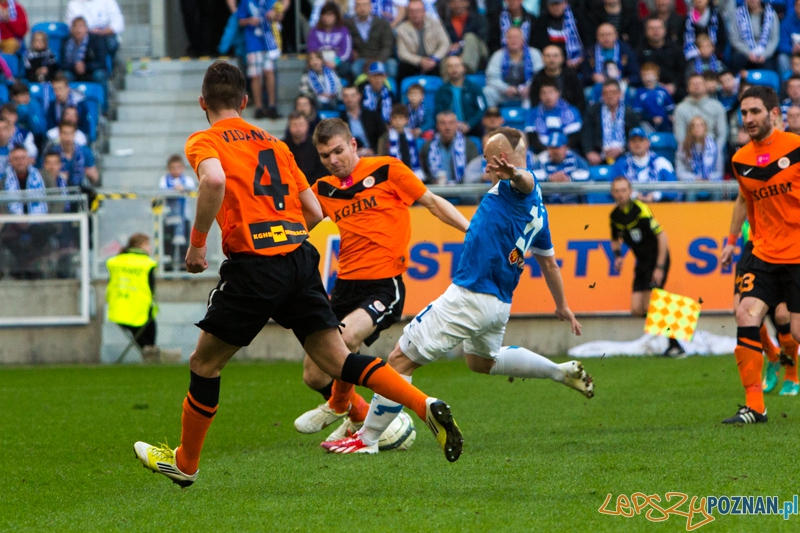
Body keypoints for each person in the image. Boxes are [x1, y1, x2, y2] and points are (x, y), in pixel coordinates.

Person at [133, 62, 465, 488]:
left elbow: (213, 179)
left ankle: (186, 464)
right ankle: (424, 404)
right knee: (336, 361)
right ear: (246, 102)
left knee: (204, 363)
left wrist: (197, 244)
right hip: (299, 256)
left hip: (255, 265)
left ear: (203, 103)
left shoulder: (204, 140)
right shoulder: (274, 142)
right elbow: (311, 211)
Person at [322, 127, 593, 456]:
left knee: (399, 361)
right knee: (482, 361)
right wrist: (562, 305)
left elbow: (526, 181)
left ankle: (368, 439)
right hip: (498, 305)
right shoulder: (540, 212)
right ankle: (557, 371)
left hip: (470, 296)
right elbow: (549, 264)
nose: (484, 169)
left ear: (503, 161)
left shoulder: (516, 186)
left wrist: (514, 174)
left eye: (488, 162)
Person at [293, 117, 469, 442]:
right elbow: (296, 231)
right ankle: (357, 415)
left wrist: (471, 231)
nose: (333, 160)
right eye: (324, 156)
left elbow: (432, 202)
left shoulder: (388, 170)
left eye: (338, 151)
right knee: (313, 372)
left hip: (384, 284)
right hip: (344, 284)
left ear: (353, 144)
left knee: (345, 340)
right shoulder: (323, 190)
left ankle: (338, 404)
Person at [717, 86, 800, 423]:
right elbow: (744, 200)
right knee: (745, 314)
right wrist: (732, 239)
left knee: (795, 331)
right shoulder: (740, 159)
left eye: (755, 112)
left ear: (774, 113)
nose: (748, 119)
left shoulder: (795, 148)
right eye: (744, 113)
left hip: (797, 253)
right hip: (763, 252)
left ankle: (791, 373)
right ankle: (755, 406)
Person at [609, 176, 685, 357]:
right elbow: (614, 238)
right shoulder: (615, 216)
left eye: (623, 190)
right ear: (613, 193)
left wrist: (659, 267)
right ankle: (673, 321)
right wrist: (618, 256)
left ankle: (676, 346)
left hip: (658, 259)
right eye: (617, 191)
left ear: (630, 191)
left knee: (655, 300)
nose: (620, 194)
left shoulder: (640, 210)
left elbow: (662, 236)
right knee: (637, 309)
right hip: (642, 262)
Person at [106, 233, 160, 361]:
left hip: (117, 307)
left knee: (138, 330)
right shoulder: (147, 263)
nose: (150, 248)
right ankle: (150, 352)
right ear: (140, 245)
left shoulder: (115, 261)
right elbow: (151, 288)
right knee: (148, 326)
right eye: (147, 244)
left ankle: (149, 351)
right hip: (139, 307)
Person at [238, 0, 282, 119]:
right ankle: (259, 108)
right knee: (255, 75)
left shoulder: (271, 1)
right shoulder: (246, 1)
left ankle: (272, 106)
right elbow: (240, 21)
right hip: (253, 43)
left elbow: (280, 15)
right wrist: (249, 21)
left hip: (269, 42)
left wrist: (275, 15)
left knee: (269, 72)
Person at [582, 79, 640, 166]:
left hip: (625, 154)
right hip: (599, 155)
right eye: (606, 93)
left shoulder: (629, 112)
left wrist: (622, 149)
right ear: (602, 95)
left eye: (613, 92)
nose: (609, 95)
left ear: (620, 94)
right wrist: (589, 152)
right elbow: (586, 133)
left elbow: (635, 136)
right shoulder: (593, 110)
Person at [611, 128, 679, 202]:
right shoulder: (620, 164)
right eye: (634, 141)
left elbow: (674, 189)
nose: (637, 144)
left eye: (641, 140)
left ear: (648, 143)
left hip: (659, 207)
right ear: (629, 144)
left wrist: (656, 195)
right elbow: (611, 189)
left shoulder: (662, 163)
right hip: (629, 208)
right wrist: (632, 195)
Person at [484, 27, 543, 108]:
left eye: (516, 37)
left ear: (523, 40)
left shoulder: (534, 53)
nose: (513, 40)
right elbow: (492, 78)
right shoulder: (498, 55)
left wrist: (529, 87)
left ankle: (530, 119)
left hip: (527, 92)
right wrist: (505, 88)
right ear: (505, 40)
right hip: (505, 92)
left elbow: (539, 75)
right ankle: (493, 118)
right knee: (487, 92)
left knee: (541, 91)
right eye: (510, 37)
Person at [395, 0, 450, 84]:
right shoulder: (402, 29)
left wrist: (435, 58)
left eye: (418, 11)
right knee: (403, 67)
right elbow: (402, 53)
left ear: (424, 12)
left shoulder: (435, 23)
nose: (415, 14)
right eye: (412, 11)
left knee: (446, 63)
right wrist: (420, 61)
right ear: (408, 13)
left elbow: (445, 43)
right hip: (414, 61)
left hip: (433, 59)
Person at [158, 154, 197, 272]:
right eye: (173, 168)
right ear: (169, 169)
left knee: (184, 243)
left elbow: (192, 190)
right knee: (168, 242)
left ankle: (183, 265)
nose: (175, 170)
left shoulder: (188, 180)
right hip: (169, 218)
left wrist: (183, 189)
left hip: (184, 217)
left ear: (183, 168)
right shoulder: (164, 180)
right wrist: (174, 190)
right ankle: (168, 265)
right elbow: (161, 191)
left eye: (178, 167)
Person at [420, 110, 480, 184]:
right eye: (443, 123)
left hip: (463, 191)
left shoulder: (469, 146)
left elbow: (474, 171)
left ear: (456, 125)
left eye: (451, 123)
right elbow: (423, 172)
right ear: (437, 125)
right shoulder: (427, 147)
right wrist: (432, 180)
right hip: (436, 191)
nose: (447, 127)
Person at [433, 55, 486, 137]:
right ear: (447, 70)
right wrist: (451, 125)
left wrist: (469, 124)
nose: (454, 69)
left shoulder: (474, 87)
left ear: (463, 68)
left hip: (472, 129)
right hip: (448, 129)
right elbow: (439, 112)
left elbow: (482, 109)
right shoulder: (442, 90)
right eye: (450, 66)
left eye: (457, 66)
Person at [525, 80, 582, 153]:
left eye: (551, 92)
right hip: (542, 152)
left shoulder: (571, 111)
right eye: (544, 93)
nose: (548, 96)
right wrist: (549, 152)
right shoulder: (533, 114)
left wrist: (560, 151)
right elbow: (532, 138)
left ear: (558, 93)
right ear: (540, 96)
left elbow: (575, 137)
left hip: (567, 151)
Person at [673, 73, 728, 149]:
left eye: (699, 83)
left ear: (706, 86)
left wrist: (716, 151)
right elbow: (680, 136)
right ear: (687, 88)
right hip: (688, 149)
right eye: (693, 83)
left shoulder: (717, 106)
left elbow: (722, 134)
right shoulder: (680, 108)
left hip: (713, 148)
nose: (696, 85)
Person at [345, 0, 397, 79]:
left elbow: (388, 46)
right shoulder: (348, 24)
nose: (362, 8)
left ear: (371, 6)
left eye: (365, 5)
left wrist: (377, 61)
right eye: (359, 5)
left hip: (381, 57)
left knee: (392, 67)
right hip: (362, 58)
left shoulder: (382, 23)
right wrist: (351, 51)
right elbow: (344, 41)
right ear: (355, 8)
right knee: (355, 68)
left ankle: (388, 89)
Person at [675, 116, 723, 200]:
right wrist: (695, 178)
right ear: (690, 129)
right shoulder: (683, 147)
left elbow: (719, 171)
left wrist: (708, 178)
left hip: (710, 180)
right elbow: (680, 172)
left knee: (716, 189)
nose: (697, 128)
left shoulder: (715, 146)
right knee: (692, 190)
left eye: (700, 125)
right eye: (694, 125)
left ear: (705, 128)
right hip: (691, 180)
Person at [582, 24, 641, 90]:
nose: (606, 38)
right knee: (587, 92)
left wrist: (625, 80)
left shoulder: (626, 51)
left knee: (633, 92)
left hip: (620, 85)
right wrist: (593, 77)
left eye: (609, 34)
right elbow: (584, 74)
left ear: (616, 35)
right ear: (597, 36)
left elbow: (636, 75)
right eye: (602, 35)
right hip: (598, 85)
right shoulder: (590, 52)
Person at [536, 131, 590, 204]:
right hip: (548, 206)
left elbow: (586, 176)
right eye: (551, 148)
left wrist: (569, 179)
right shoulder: (542, 158)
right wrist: (549, 179)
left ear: (565, 148)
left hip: (573, 206)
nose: (554, 151)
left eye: (557, 147)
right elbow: (533, 177)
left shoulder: (576, 159)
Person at [637, 16, 684, 98]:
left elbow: (682, 71)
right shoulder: (639, 50)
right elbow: (637, 72)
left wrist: (673, 85)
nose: (655, 31)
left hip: (673, 88)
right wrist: (656, 85)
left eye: (658, 28)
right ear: (646, 31)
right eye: (651, 28)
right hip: (648, 87)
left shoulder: (676, 49)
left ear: (665, 30)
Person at [728, 0, 780, 73]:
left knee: (772, 63)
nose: (752, 1)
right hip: (744, 52)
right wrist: (748, 53)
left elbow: (774, 39)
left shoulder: (771, 14)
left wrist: (765, 54)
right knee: (737, 58)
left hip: (765, 53)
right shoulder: (737, 14)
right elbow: (734, 39)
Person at [65, 0, 124, 64]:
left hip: (104, 35)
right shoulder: (73, 4)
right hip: (83, 37)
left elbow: (118, 24)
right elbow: (71, 26)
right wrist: (88, 31)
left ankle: (110, 68)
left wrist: (101, 32)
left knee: (111, 44)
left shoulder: (108, 1)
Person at [530, 0, 584, 69]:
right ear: (548, 6)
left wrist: (581, 59)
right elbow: (538, 45)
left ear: (565, 4)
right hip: (550, 64)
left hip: (578, 63)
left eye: (558, 4)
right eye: (553, 5)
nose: (556, 7)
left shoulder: (578, 18)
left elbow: (587, 40)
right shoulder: (541, 22)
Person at [307, 2, 353, 82]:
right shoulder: (315, 31)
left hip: (338, 61)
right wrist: (323, 61)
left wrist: (336, 61)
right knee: (311, 65)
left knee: (346, 68)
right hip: (320, 61)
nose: (325, 17)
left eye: (329, 15)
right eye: (324, 14)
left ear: (336, 16)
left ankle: (343, 87)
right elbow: (312, 49)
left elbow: (346, 51)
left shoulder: (343, 30)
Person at [440, 0, 489, 74]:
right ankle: (447, 82)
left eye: (460, 2)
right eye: (454, 2)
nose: (457, 5)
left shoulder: (478, 18)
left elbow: (483, 38)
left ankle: (464, 69)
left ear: (467, 3)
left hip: (478, 52)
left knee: (470, 37)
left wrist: (461, 44)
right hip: (454, 55)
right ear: (449, 5)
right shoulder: (445, 23)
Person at [529, 45, 585, 110]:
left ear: (562, 58)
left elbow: (580, 101)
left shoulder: (572, 77)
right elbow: (534, 102)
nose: (551, 59)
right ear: (543, 59)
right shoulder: (537, 78)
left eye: (555, 56)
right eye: (548, 56)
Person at [377, 103, 424, 179]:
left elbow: (418, 156)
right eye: (395, 118)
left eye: (401, 118)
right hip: (393, 172)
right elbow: (381, 155)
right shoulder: (385, 137)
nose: (398, 121)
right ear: (391, 120)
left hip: (411, 171)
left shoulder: (412, 136)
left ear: (407, 120)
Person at [282, 111, 328, 185]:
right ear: (289, 127)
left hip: (314, 185)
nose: (298, 128)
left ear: (307, 125)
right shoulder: (283, 146)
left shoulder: (317, 144)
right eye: (294, 125)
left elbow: (323, 169)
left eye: (301, 124)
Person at [338, 85, 386, 155]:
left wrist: (373, 151)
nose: (349, 99)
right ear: (342, 98)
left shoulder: (373, 116)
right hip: (352, 158)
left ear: (359, 96)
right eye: (346, 96)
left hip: (374, 156)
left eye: (353, 95)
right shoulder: (340, 121)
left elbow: (383, 136)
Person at [632, 62, 675, 133]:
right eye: (645, 75)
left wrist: (670, 116)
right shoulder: (639, 92)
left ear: (657, 77)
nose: (648, 78)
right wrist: (651, 119)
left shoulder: (663, 91)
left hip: (664, 122)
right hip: (647, 123)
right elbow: (638, 112)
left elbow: (670, 107)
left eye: (651, 75)